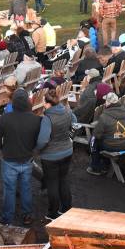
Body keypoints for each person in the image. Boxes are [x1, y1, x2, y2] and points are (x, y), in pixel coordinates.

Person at [0, 88, 42, 225]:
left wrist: (3, 149)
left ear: (13, 102)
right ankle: (27, 215)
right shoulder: (36, 119)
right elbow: (38, 139)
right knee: (26, 187)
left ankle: (7, 218)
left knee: (9, 190)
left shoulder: (5, 118)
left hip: (9, 160)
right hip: (27, 159)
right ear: (28, 102)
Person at [39, 87, 76, 218]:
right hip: (67, 151)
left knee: (52, 184)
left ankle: (53, 213)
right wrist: (68, 136)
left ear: (48, 103)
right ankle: (66, 208)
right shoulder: (67, 111)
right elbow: (75, 122)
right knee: (63, 180)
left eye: (44, 102)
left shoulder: (47, 118)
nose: (43, 104)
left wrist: (38, 149)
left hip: (51, 156)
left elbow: (43, 140)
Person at [88, 92, 125, 175]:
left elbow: (97, 134)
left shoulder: (104, 116)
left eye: (106, 101)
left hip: (112, 146)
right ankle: (105, 162)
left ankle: (96, 167)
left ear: (108, 103)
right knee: (104, 138)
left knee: (93, 140)